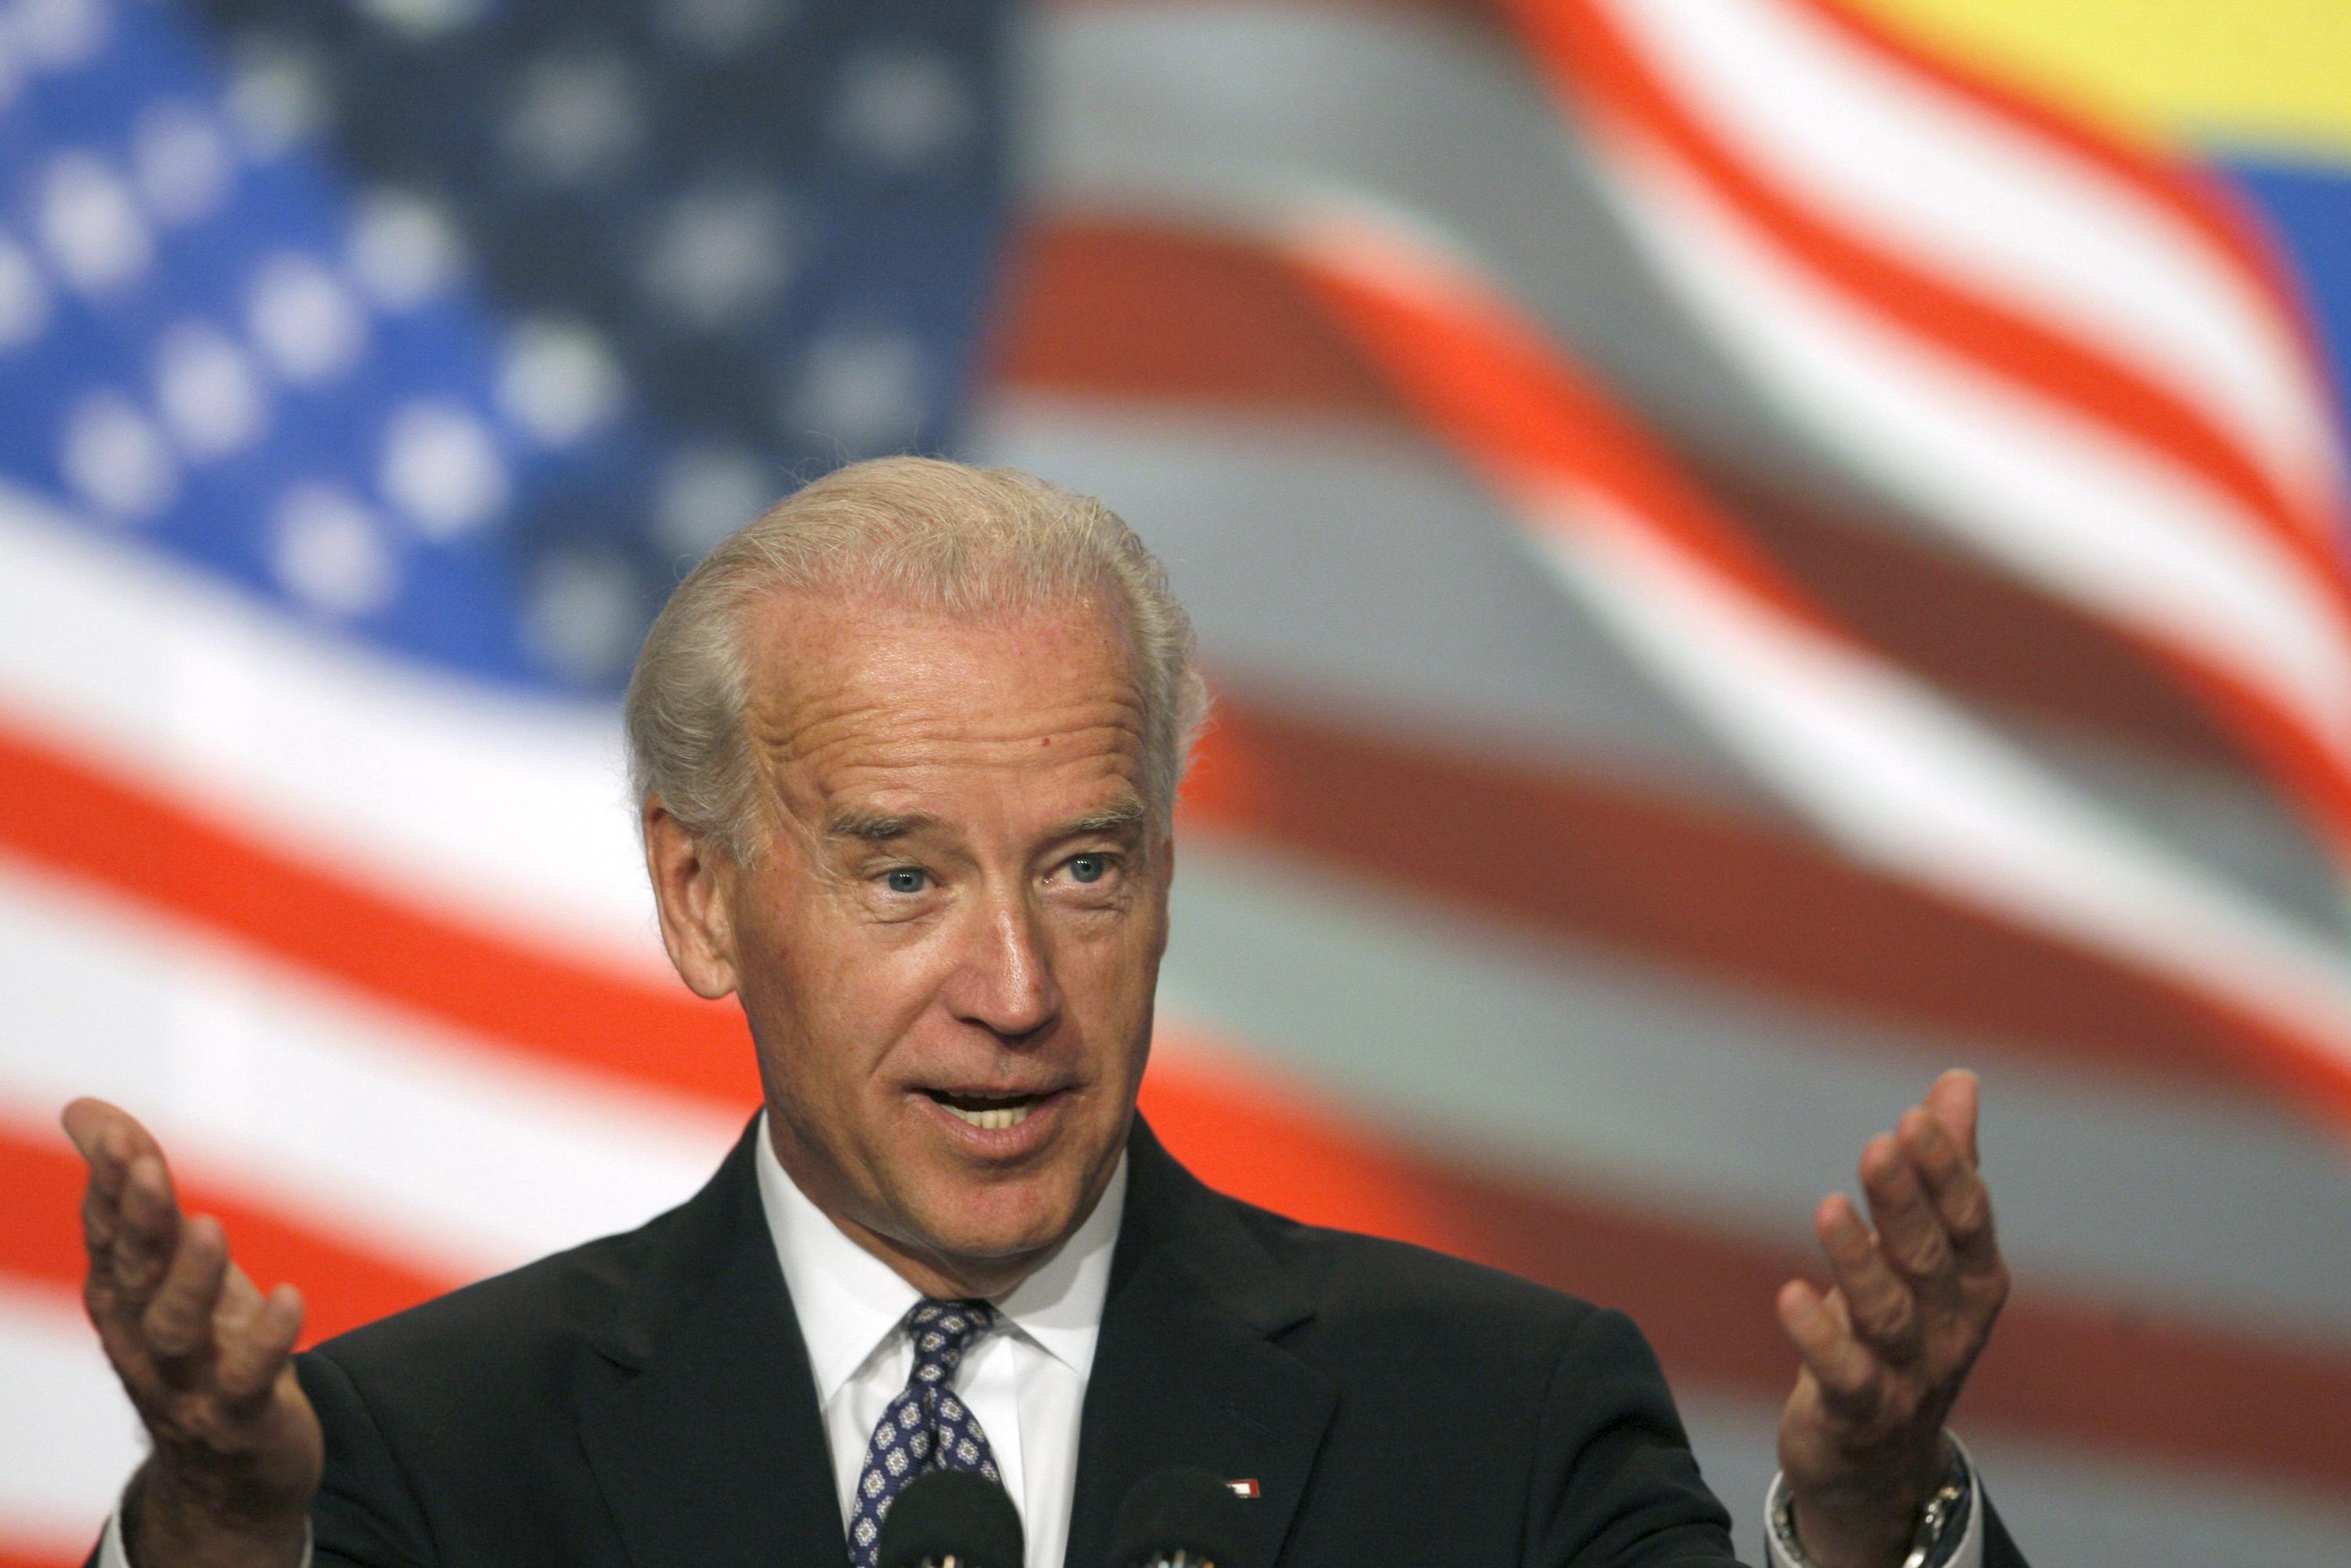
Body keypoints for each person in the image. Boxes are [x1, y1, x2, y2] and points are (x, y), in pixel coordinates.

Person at [62, 456, 2021, 1568]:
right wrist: (217, 1545)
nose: (1013, 991)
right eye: (903, 877)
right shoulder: (423, 1460)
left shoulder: (1495, 1424)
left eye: (1082, 868)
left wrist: (1873, 1522)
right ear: (701, 895)